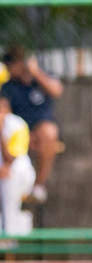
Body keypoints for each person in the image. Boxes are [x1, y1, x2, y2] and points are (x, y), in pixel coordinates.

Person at [0, 48, 63, 204]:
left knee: (48, 133)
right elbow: (4, 114)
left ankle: (38, 186)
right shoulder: (8, 87)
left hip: (39, 133)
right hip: (19, 135)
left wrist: (36, 73)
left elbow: (56, 91)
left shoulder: (39, 79)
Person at [0, 93, 36, 237]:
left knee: (10, 176)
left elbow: (10, 160)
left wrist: (1, 131)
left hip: (20, 177)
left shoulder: (17, 125)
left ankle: (9, 234)